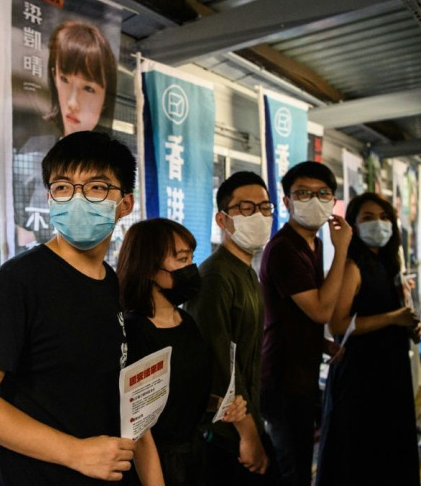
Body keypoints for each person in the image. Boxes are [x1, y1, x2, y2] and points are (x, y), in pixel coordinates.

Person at [0, 131, 162, 485]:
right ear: (50, 198)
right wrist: (76, 452)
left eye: (96, 187)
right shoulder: (18, 281)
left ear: (125, 203)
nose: (77, 198)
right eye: (63, 187)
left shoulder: (109, 280)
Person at [116, 217, 247, 486]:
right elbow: (141, 428)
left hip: (195, 460)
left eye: (191, 258)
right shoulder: (134, 332)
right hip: (156, 468)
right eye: (182, 259)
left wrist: (221, 405)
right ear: (150, 268)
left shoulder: (185, 321)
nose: (192, 268)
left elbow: (181, 391)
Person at [316, 192, 421, 485]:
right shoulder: (352, 267)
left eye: (384, 217)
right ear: (353, 225)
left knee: (390, 453)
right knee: (360, 457)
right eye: (368, 218)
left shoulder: (390, 267)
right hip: (361, 377)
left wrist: (410, 326)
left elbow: (400, 314)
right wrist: (392, 318)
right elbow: (337, 322)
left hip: (392, 373)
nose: (379, 224)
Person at [259, 161, 352, 486]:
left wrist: (321, 343)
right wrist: (343, 251)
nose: (313, 200)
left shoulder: (314, 243)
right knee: (292, 469)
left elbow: (298, 313)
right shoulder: (284, 249)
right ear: (286, 201)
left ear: (331, 201)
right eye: (303, 193)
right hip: (282, 378)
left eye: (322, 193)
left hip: (303, 371)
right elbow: (321, 311)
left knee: (300, 459)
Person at [185, 171, 279, 485]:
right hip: (227, 433)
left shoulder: (247, 271)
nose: (259, 215)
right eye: (246, 208)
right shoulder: (214, 278)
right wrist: (249, 436)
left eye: (265, 208)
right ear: (222, 220)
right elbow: (218, 363)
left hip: (250, 420)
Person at [14, 20, 117, 248]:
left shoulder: (113, 166)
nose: (72, 103)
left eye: (88, 88)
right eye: (64, 80)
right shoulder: (29, 156)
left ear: (105, 98)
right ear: (53, 76)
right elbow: (23, 237)